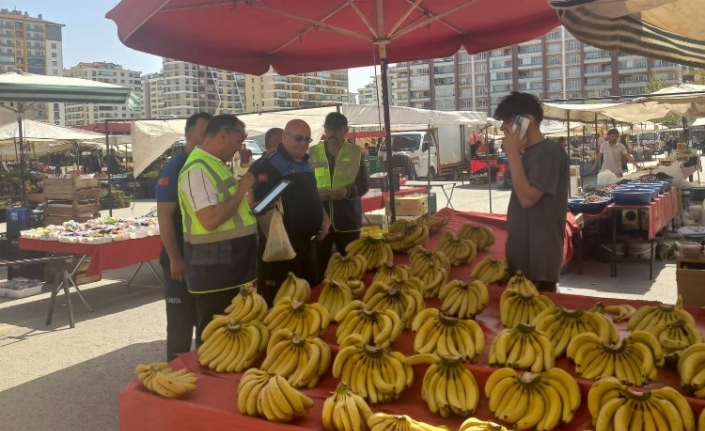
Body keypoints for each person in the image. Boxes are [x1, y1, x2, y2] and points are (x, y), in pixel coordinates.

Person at [178, 114, 258, 344]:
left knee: (237, 341)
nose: (238, 148)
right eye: (238, 141)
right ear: (223, 135)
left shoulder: (215, 166)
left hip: (231, 269)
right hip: (215, 273)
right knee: (217, 343)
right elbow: (210, 220)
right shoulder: (197, 170)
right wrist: (242, 189)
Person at [494, 91, 569, 293]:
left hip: (539, 262)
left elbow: (528, 198)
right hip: (521, 257)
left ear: (526, 120)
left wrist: (512, 154)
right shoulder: (526, 153)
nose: (503, 128)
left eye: (508, 121)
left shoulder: (551, 152)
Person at [250, 119, 330, 306]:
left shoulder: (306, 162)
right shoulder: (267, 166)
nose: (303, 143)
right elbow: (260, 208)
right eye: (298, 138)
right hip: (281, 250)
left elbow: (313, 193)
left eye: (307, 140)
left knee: (308, 299)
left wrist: (324, 218)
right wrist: (283, 187)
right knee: (281, 305)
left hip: (307, 245)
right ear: (284, 137)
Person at [156, 112, 212, 360]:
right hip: (179, 258)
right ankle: (175, 372)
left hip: (201, 257)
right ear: (190, 135)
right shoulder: (176, 166)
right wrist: (175, 259)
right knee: (180, 322)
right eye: (204, 133)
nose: (209, 138)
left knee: (204, 320)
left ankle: (201, 369)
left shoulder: (206, 165)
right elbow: (165, 216)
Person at [309, 112, 369, 284]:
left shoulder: (356, 153)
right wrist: (316, 195)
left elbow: (364, 184)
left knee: (352, 268)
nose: (333, 133)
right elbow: (306, 183)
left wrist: (348, 192)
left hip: (348, 220)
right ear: (324, 130)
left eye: (337, 129)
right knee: (320, 268)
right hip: (320, 220)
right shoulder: (313, 153)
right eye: (329, 129)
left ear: (346, 131)